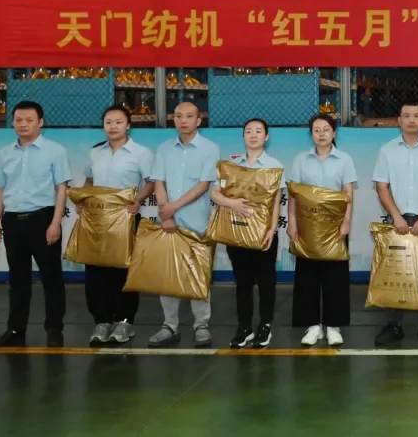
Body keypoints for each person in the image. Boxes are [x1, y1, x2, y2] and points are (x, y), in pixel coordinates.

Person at [0, 101, 72, 348]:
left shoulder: (55, 151)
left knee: (51, 277)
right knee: (17, 279)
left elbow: (62, 189)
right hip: (13, 221)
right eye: (18, 120)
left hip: (42, 219)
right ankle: (15, 329)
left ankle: (54, 329)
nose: (23, 125)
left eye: (29, 120)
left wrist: (55, 223)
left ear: (40, 122)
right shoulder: (5, 153)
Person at [371, 101, 418, 347]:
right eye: (406, 116)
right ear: (399, 120)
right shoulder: (387, 151)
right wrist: (396, 216)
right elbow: (382, 186)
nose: (412, 120)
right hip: (397, 220)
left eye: (416, 115)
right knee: (395, 271)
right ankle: (393, 325)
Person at [147, 102, 221, 348]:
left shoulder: (210, 148)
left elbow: (204, 185)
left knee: (198, 276)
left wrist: (174, 207)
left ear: (198, 120)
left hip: (197, 223)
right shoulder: (164, 148)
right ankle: (170, 325)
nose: (183, 120)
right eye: (178, 116)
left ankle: (201, 325)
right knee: (168, 276)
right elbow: (159, 182)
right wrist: (165, 214)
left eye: (189, 116)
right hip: (168, 222)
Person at [80, 105, 154, 346]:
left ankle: (124, 322)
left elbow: (151, 182)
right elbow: (89, 180)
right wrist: (83, 200)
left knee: (123, 271)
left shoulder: (141, 153)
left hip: (125, 220)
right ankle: (101, 321)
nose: (113, 126)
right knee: (95, 272)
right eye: (108, 122)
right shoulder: (95, 152)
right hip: (97, 220)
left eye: (119, 122)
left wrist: (137, 200)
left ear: (128, 125)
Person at [210, 118, 284, 349]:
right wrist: (232, 204)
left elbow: (276, 202)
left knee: (266, 282)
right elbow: (215, 193)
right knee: (242, 282)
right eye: (249, 131)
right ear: (243, 136)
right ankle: (244, 327)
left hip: (263, 234)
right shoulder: (231, 165)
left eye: (258, 131)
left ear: (266, 136)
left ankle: (265, 325)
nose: (253, 135)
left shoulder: (274, 165)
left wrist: (272, 230)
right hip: (236, 231)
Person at [288, 113, 357, 347]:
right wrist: (292, 222)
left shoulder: (344, 159)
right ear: (311, 134)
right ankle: (312, 326)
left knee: (335, 276)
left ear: (334, 133)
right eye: (316, 130)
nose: (321, 134)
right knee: (307, 276)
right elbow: (294, 195)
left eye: (326, 129)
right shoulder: (300, 159)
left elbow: (348, 194)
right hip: (306, 225)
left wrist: (346, 221)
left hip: (334, 226)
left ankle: (333, 326)